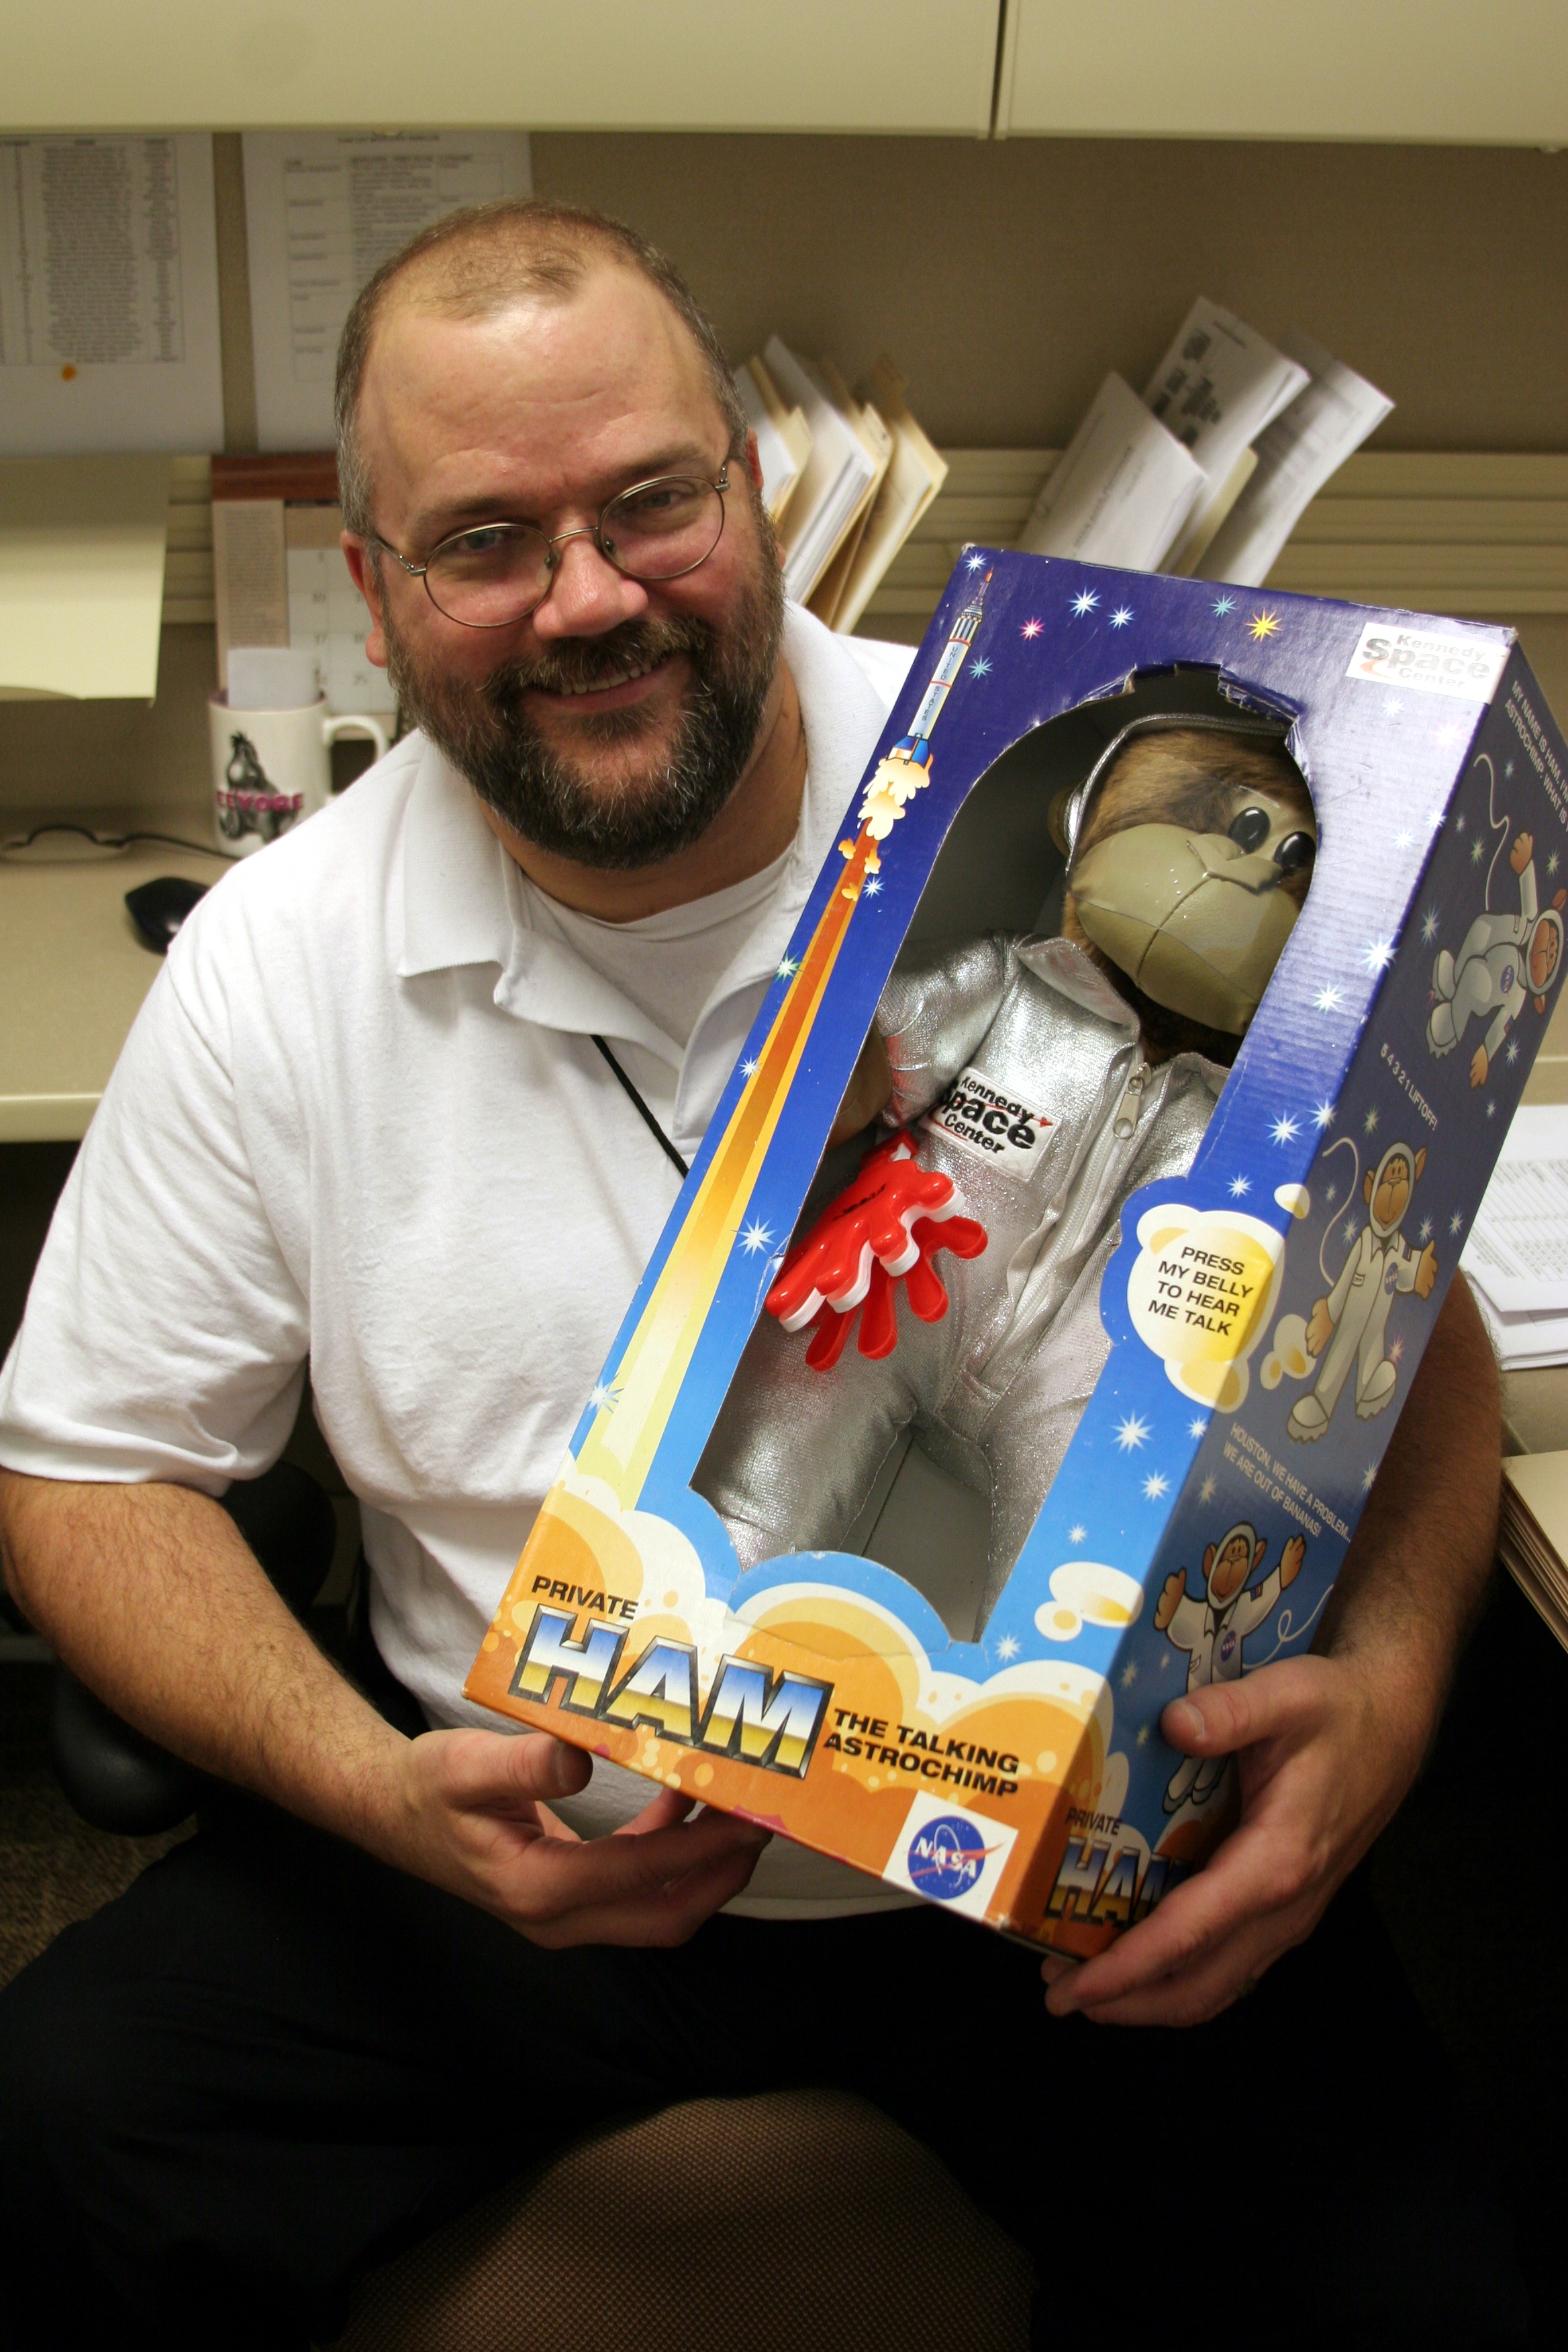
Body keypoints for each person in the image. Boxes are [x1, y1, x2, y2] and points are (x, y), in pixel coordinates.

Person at [0, 203, 1525, 2351]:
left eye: (650, 500)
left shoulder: (1012, 780)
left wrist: (1396, 1686)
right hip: (519, 1842)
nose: (589, 596)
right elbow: (89, 1478)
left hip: (1042, 1865)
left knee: (1428, 2305)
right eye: (486, 541)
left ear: (756, 488)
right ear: (375, 590)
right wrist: (380, 1801)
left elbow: (1407, 1317)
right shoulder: (278, 961)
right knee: (52, 2131)